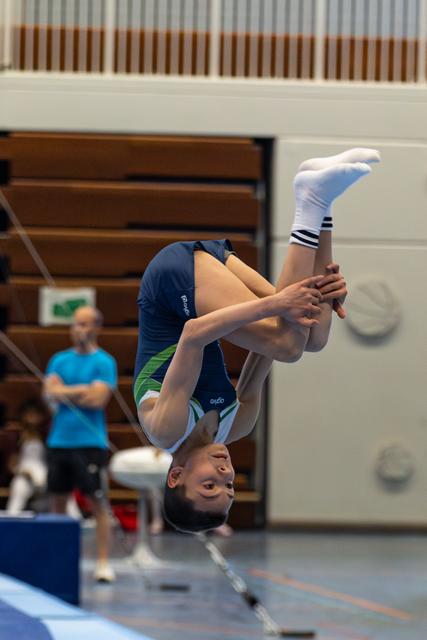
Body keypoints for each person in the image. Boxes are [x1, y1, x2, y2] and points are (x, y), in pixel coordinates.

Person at [133, 148, 380, 533]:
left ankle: (312, 200)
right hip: (201, 292)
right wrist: (320, 297)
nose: (225, 471)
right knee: (310, 337)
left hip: (169, 284)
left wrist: (278, 303)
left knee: (288, 341)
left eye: (210, 484)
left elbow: (194, 335)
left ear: (176, 476)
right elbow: (275, 346)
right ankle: (323, 203)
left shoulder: (166, 428)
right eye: (229, 485)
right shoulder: (238, 425)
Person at [43, 306, 118, 582]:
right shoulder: (58, 360)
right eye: (76, 324)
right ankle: (57, 560)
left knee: (98, 503)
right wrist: (83, 390)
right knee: (57, 504)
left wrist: (65, 391)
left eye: (85, 325)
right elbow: (49, 395)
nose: (79, 330)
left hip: (90, 443)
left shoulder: (104, 362)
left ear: (96, 327)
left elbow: (97, 400)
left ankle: (102, 562)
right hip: (59, 441)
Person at [6, 398, 50, 514]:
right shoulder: (16, 435)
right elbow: (12, 464)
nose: (32, 417)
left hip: (46, 473)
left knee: (62, 489)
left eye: (35, 414)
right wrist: (23, 473)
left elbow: (54, 460)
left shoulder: (46, 434)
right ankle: (11, 518)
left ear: (41, 416)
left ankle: (77, 520)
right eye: (29, 414)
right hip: (24, 473)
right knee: (19, 488)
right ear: (22, 415)